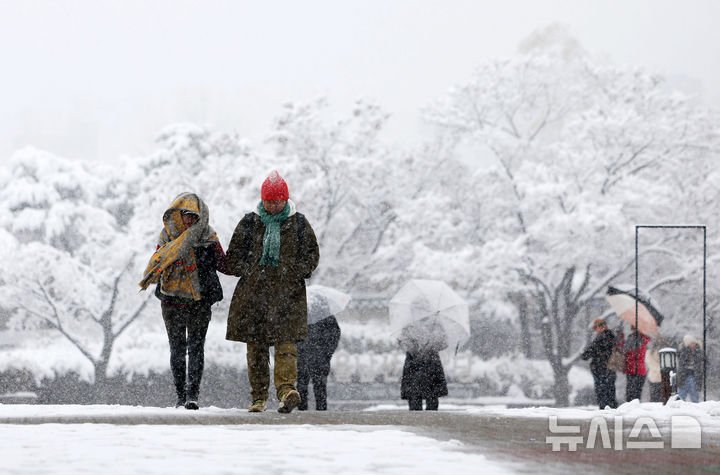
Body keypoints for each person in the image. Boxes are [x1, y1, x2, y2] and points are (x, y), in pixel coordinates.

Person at [225, 171, 319, 413]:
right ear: (262, 200)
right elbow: (233, 257)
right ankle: (258, 397)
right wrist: (251, 269)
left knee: (286, 346)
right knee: (256, 349)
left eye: (278, 201)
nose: (274, 205)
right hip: (253, 296)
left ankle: (287, 391)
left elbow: (311, 256)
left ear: (286, 200)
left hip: (288, 297)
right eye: (270, 201)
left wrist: (292, 271)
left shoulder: (299, 224)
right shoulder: (249, 223)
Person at [139, 192, 230, 410]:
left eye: (194, 216)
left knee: (196, 348)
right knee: (177, 349)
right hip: (171, 301)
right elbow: (159, 262)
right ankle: (180, 395)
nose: (190, 219)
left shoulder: (208, 237)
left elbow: (224, 264)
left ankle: (192, 396)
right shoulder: (167, 237)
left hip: (200, 302)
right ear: (177, 214)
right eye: (186, 214)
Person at [296, 304, 341, 411]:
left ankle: (303, 409)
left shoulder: (300, 314)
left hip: (305, 356)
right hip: (318, 357)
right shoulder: (327, 316)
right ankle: (320, 410)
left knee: (303, 384)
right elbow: (335, 335)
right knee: (318, 385)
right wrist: (327, 352)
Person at [399, 318, 449, 411]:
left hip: (420, 363)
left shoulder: (435, 325)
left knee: (427, 397)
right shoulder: (409, 326)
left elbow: (444, 343)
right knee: (420, 397)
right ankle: (426, 420)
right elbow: (403, 343)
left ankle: (423, 420)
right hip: (424, 362)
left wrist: (430, 345)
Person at [580, 318, 618, 409]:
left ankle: (605, 411)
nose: (595, 330)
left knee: (602, 392)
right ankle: (612, 410)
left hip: (600, 368)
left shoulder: (600, 338)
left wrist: (584, 352)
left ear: (601, 327)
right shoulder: (612, 337)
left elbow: (586, 355)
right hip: (610, 368)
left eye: (596, 328)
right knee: (610, 391)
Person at [621, 324, 650, 402]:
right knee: (637, 393)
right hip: (641, 370)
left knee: (631, 394)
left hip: (632, 369)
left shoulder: (633, 339)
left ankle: (631, 410)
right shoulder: (644, 339)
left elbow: (624, 351)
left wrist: (621, 339)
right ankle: (636, 409)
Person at [677, 334, 703, 403]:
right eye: (691, 343)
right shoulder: (683, 351)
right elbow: (681, 361)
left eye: (694, 343)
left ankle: (695, 408)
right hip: (684, 376)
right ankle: (680, 408)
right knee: (681, 395)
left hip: (694, 376)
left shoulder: (698, 351)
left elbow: (701, 362)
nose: (693, 345)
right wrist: (686, 350)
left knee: (694, 396)